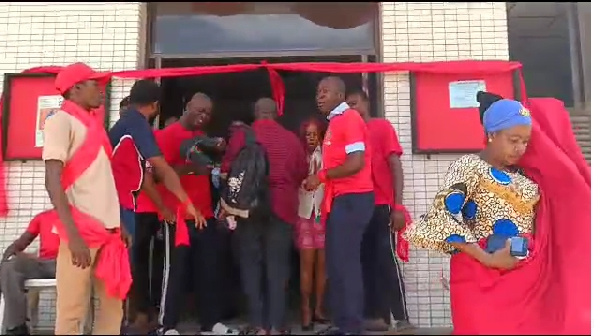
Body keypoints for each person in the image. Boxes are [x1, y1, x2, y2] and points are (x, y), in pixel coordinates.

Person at [403, 92, 590, 334]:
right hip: (482, 275)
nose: (520, 148)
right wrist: (488, 258)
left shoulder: (524, 175)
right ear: (491, 134)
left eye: (525, 141)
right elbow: (441, 216)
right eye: (513, 140)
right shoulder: (469, 166)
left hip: (528, 277)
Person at [109, 79, 200, 334]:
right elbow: (160, 169)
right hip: (120, 206)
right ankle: (126, 322)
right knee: (127, 266)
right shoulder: (137, 126)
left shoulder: (124, 124)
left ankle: (125, 321)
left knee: (127, 266)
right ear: (155, 105)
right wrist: (186, 202)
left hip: (118, 204)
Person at [43, 62, 127, 335]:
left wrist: (118, 223)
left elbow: (102, 182)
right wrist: (73, 233)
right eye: (95, 84)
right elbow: (52, 181)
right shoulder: (59, 121)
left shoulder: (94, 126)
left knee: (113, 308)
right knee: (72, 310)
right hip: (80, 230)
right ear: (76, 88)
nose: (101, 90)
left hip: (109, 232)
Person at [221, 98, 308, 335]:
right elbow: (302, 171)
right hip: (282, 207)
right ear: (276, 113)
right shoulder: (290, 138)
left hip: (249, 209)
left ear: (256, 113)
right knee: (278, 267)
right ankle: (277, 325)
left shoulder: (242, 136)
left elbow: (228, 170)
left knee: (251, 265)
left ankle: (259, 324)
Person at [156, 92, 235, 336]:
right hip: (177, 217)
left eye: (208, 113)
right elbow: (160, 175)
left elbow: (208, 173)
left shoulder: (202, 138)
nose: (203, 116)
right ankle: (167, 325)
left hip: (204, 216)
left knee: (208, 271)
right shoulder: (166, 136)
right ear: (187, 106)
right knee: (175, 273)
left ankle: (210, 323)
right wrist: (191, 169)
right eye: (199, 111)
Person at [304, 77, 374, 335]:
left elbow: (356, 163)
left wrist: (320, 177)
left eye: (325, 91)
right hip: (339, 201)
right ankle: (343, 323)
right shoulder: (334, 122)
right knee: (336, 264)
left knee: (346, 264)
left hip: (354, 199)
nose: (319, 96)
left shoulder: (350, 119)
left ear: (339, 94)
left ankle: (352, 327)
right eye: (317, 91)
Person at [346, 90, 412, 332]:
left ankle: (401, 317)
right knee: (363, 262)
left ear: (366, 101)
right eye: (347, 106)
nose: (352, 109)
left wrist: (398, 206)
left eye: (354, 103)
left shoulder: (381, 127)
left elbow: (395, 166)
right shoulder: (347, 134)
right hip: (356, 207)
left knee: (387, 260)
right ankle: (377, 318)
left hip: (382, 204)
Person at [0, 210, 59, 335]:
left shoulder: (81, 216)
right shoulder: (43, 217)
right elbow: (23, 241)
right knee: (10, 267)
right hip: (43, 263)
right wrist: (9, 256)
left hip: (68, 264)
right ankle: (16, 327)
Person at [295, 117, 328, 331]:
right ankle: (305, 309)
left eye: (315, 133)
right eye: (308, 133)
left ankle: (319, 309)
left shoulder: (327, 155)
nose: (312, 137)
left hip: (323, 212)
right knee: (306, 264)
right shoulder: (298, 156)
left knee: (323, 266)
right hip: (304, 213)